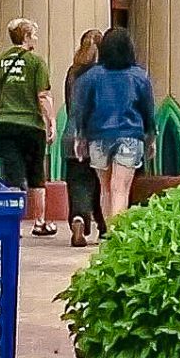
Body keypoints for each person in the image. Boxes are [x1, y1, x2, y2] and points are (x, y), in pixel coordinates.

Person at [71, 23, 158, 232]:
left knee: (105, 188)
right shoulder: (139, 76)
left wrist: (80, 136)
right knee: (121, 188)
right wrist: (151, 135)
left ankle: (109, 231)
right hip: (130, 134)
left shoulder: (90, 76)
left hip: (98, 136)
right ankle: (117, 235)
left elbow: (81, 108)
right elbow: (147, 108)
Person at [0, 16, 56, 230]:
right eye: (34, 34)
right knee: (36, 173)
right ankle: (39, 222)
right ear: (25, 36)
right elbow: (43, 95)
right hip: (31, 125)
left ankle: (12, 223)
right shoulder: (36, 62)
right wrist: (52, 122)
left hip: (4, 123)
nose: (36, 39)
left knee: (12, 174)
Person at [61, 27, 105, 245]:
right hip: (96, 135)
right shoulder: (102, 73)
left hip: (71, 136)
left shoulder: (73, 71)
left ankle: (78, 218)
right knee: (99, 183)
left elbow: (70, 106)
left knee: (77, 182)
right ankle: (103, 224)